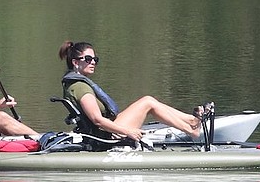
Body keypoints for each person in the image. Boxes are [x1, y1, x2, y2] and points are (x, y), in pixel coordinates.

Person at [58, 40, 203, 142]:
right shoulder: (80, 87)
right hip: (107, 135)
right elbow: (97, 120)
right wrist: (128, 131)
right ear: (75, 62)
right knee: (147, 102)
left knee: (149, 100)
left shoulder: (76, 84)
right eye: (88, 59)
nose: (93, 62)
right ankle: (191, 130)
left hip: (108, 129)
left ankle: (191, 120)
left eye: (95, 59)